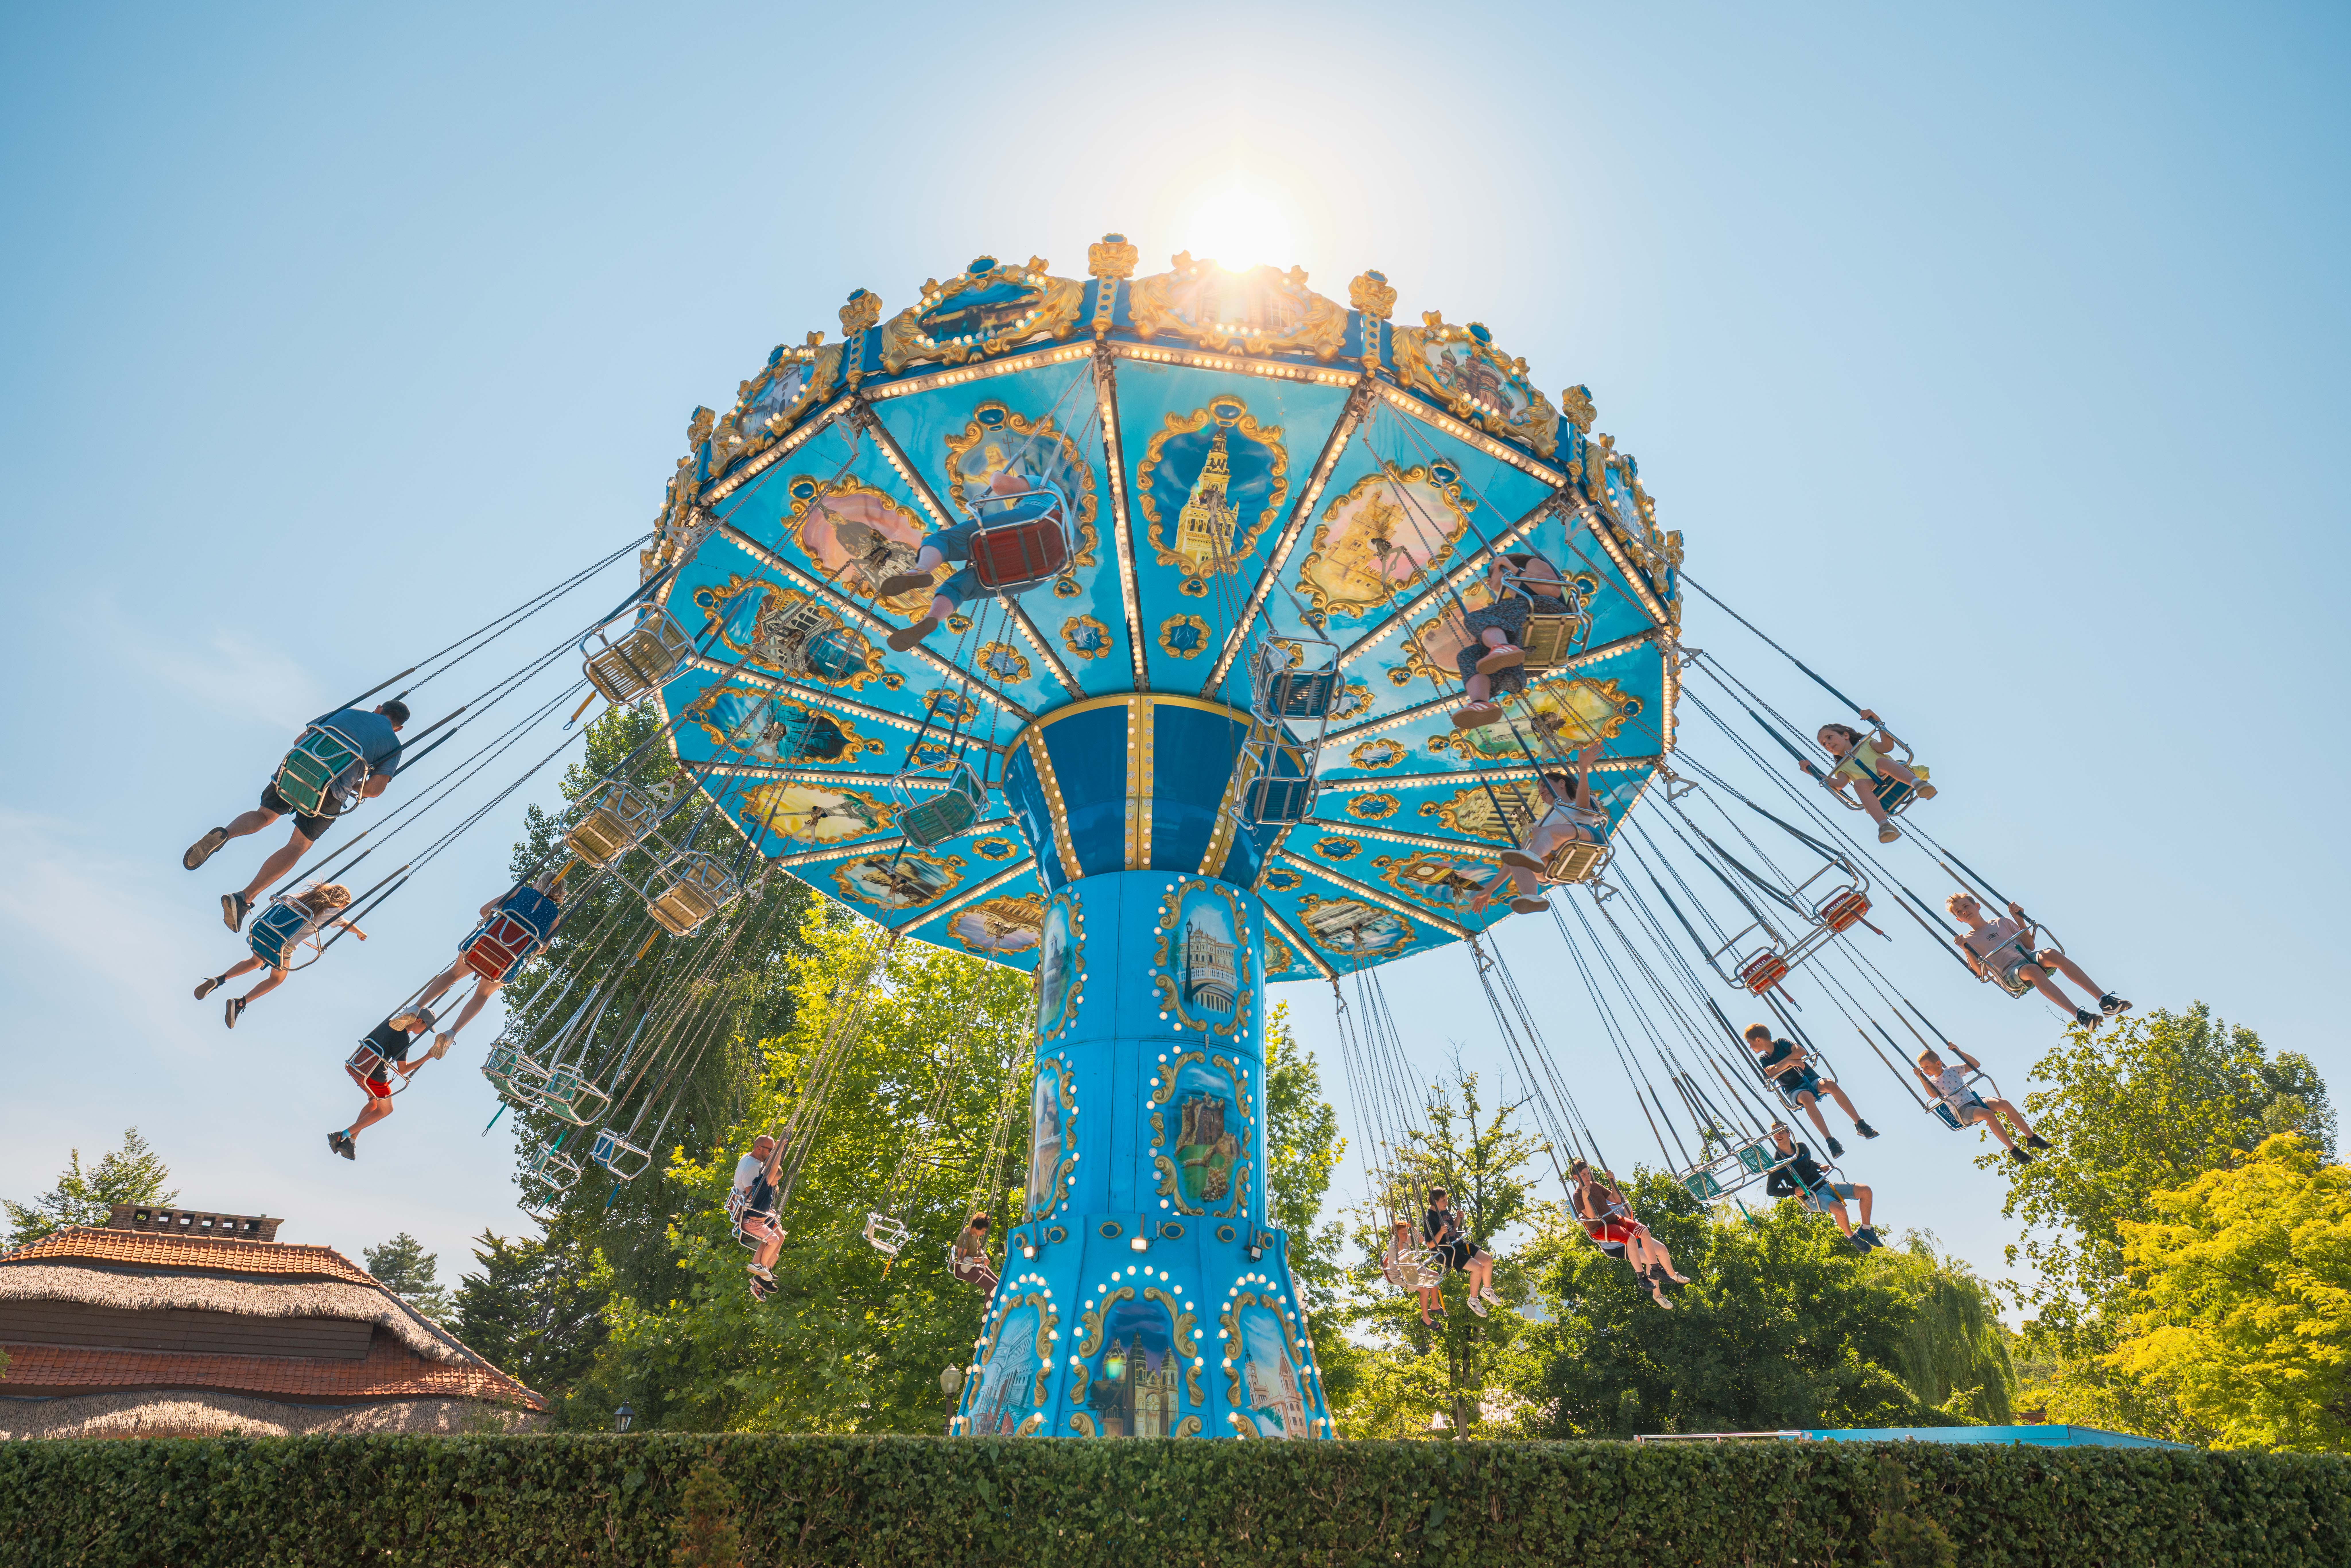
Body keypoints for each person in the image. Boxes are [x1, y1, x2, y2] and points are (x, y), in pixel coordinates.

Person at [185, 700, 409, 933]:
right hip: (330, 791)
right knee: (298, 845)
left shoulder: (348, 712)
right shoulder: (393, 744)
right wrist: (352, 782)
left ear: (379, 708)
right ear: (399, 728)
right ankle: (245, 897)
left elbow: (300, 740)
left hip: (296, 768)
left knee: (264, 815)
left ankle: (226, 833)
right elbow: (374, 790)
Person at [874, 468, 1062, 650]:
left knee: (943, 540)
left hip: (1032, 523)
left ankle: (921, 570)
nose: (1016, 503)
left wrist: (998, 473)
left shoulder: (1046, 487)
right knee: (963, 584)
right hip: (1041, 570)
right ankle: (930, 620)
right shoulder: (1066, 526)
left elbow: (999, 484)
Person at [410, 869, 567, 1052]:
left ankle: (416, 1007)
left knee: (454, 974)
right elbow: (543, 949)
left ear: (539, 883)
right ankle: (452, 1033)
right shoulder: (555, 916)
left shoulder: (521, 891)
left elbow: (484, 910)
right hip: (507, 962)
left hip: (484, 945)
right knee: (482, 995)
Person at [1945, 892, 2127, 1029]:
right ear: (1959, 920)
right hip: (2011, 973)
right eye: (1959, 912)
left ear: (1977, 906)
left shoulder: (2002, 922)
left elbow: (2029, 945)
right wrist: (1966, 950)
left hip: (2026, 957)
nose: (1964, 912)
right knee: (2032, 970)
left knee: (2051, 954)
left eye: (1966, 907)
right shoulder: (1970, 941)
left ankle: (2105, 1000)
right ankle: (2079, 1015)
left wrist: (2019, 920)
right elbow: (1981, 973)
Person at [193, 881, 361, 1028]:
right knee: (277, 979)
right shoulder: (332, 912)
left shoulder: (305, 898)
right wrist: (360, 933)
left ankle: (219, 979)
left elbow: (285, 899)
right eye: (344, 906)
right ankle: (240, 1003)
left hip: (263, 931)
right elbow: (345, 924)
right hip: (282, 945)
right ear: (340, 902)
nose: (343, 909)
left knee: (255, 962)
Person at [1471, 747, 1607, 917]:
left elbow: (1582, 805)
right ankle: (1532, 897)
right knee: (1519, 857)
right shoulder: (1539, 823)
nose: (1541, 792)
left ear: (1562, 784)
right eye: (1540, 789)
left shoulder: (1571, 806)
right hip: (1553, 866)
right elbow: (1515, 859)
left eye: (1545, 786)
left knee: (1543, 835)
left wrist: (1584, 768)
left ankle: (1534, 857)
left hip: (1584, 838)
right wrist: (1489, 890)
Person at [1450, 555, 1571, 729]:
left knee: (1476, 617)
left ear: (1502, 568)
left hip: (1548, 609)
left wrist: (1512, 568)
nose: (1489, 581)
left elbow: (1554, 590)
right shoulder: (1513, 601)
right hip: (1529, 645)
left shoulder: (1530, 565)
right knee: (1468, 655)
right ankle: (1480, 703)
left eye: (1491, 573)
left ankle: (1502, 647)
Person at [1741, 1023, 1878, 1155]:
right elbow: (1769, 1074)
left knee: (1830, 1084)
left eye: (1750, 1043)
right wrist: (1790, 1062)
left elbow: (1801, 1051)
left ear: (1758, 1040)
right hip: (1794, 1089)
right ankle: (1831, 1141)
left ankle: (1860, 1124)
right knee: (1807, 1098)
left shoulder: (1782, 1043)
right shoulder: (1764, 1059)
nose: (1750, 1046)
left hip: (1811, 1079)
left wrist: (1781, 1065)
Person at [1568, 1158, 1688, 1308]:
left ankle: (1656, 1269)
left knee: (1644, 1231)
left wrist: (1612, 1181)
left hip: (1614, 1220)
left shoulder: (1596, 1186)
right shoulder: (1578, 1195)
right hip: (1601, 1228)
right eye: (1584, 1175)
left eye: (1589, 1173)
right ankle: (1642, 1277)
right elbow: (1592, 1216)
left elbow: (1617, 1199)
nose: (1587, 1177)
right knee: (1630, 1239)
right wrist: (1586, 1198)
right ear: (1576, 1178)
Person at [328, 1006, 442, 1160]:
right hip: (373, 1076)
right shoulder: (402, 1037)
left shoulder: (390, 1023)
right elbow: (403, 1070)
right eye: (425, 1027)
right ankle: (342, 1136)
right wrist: (427, 1056)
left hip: (358, 1065)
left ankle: (351, 1142)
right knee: (386, 1110)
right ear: (419, 1021)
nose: (424, 1031)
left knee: (374, 1105)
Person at [1806, 709, 1933, 844]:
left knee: (1881, 762)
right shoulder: (1842, 767)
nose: (1828, 744)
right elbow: (1839, 785)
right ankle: (1884, 825)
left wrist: (1878, 724)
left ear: (1846, 736)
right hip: (1877, 792)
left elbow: (1887, 747)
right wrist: (1812, 772)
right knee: (1859, 784)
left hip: (1894, 775)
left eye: (1829, 738)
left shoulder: (1866, 744)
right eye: (1824, 744)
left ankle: (1919, 784)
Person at [1912, 1045, 2049, 1164]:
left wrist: (1959, 1052)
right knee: (1988, 1115)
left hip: (1975, 1100)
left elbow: (1975, 1065)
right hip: (1962, 1110)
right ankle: (2013, 1150)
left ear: (1938, 1064)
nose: (1925, 1071)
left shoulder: (1953, 1070)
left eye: (1927, 1067)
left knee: (2004, 1104)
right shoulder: (1934, 1083)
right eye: (1923, 1068)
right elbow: (1933, 1095)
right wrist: (1921, 1078)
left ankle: (2032, 1138)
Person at [1762, 1121, 1882, 1250]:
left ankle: (1866, 1229)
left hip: (1825, 1184)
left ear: (1788, 1133)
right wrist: (1794, 1190)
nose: (1778, 1135)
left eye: (1781, 1132)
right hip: (1812, 1196)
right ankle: (1851, 1236)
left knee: (1865, 1190)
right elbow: (1771, 1190)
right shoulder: (1778, 1163)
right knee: (1840, 1209)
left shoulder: (1801, 1148)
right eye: (1775, 1134)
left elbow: (1809, 1163)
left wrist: (1820, 1166)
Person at [1424, 1186, 1500, 1318]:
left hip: (1458, 1243)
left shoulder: (1443, 1210)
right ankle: (1473, 1300)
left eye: (1447, 1200)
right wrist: (1441, 1233)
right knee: (1478, 1268)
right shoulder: (1429, 1218)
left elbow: (1452, 1228)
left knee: (1488, 1260)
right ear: (1435, 1202)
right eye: (1444, 1201)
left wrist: (1458, 1218)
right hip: (1446, 1251)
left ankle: (1487, 1291)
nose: (1446, 1203)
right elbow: (1431, 1244)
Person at [731, 1133, 787, 1300]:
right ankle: (760, 1271)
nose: (769, 1153)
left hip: (755, 1214)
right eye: (769, 1150)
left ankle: (762, 1276)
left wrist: (777, 1151)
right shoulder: (755, 1172)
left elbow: (770, 1171)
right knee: (775, 1240)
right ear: (759, 1148)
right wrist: (779, 1151)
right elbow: (752, 1195)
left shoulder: (754, 1163)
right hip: (753, 1216)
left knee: (779, 1239)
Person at [950, 1213, 999, 1292]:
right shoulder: (965, 1239)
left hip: (976, 1265)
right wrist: (979, 1260)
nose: (983, 1233)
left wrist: (983, 1255)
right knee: (993, 1287)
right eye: (983, 1231)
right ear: (976, 1228)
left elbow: (979, 1248)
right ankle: (989, 1305)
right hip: (966, 1270)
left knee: (999, 1283)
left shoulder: (974, 1233)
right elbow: (961, 1261)